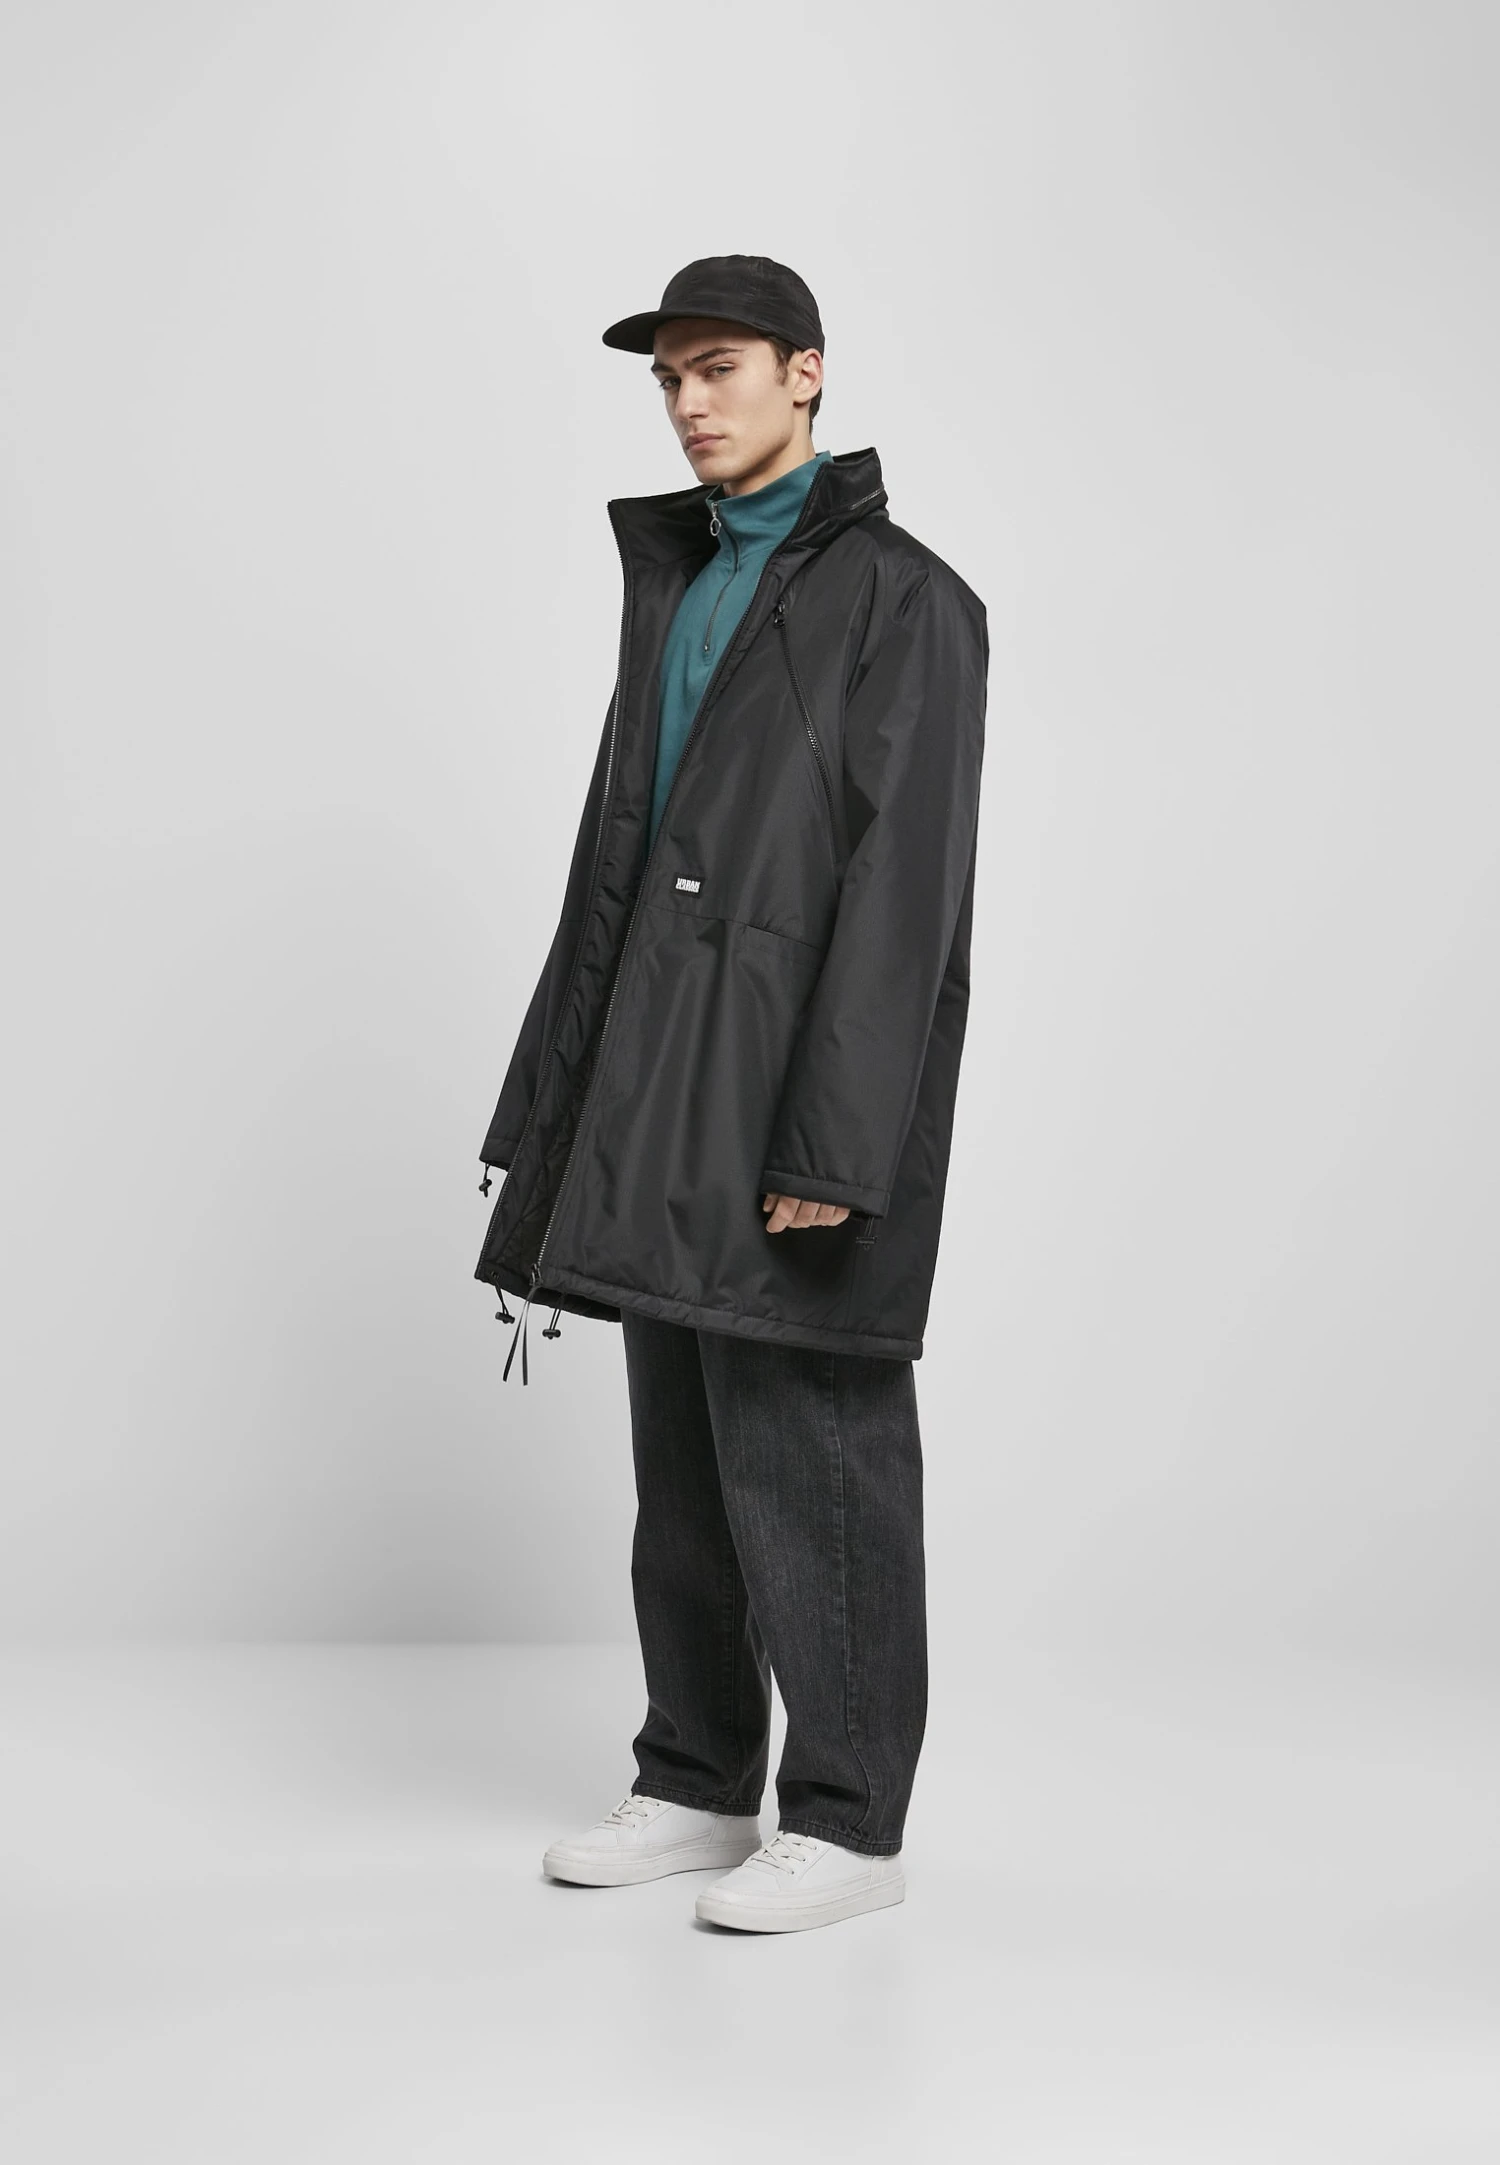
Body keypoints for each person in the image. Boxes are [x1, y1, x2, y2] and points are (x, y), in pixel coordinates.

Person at [473, 255, 988, 1932]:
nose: (690, 403)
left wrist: (840, 1140)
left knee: (816, 1452)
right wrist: (553, 1104)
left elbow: (906, 894)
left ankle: (848, 1824)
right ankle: (697, 1782)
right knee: (686, 1464)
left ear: (806, 372)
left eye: (719, 368)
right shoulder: (685, 580)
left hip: (789, 1097)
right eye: (669, 379)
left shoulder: (908, 600)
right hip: (656, 1087)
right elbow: (621, 863)